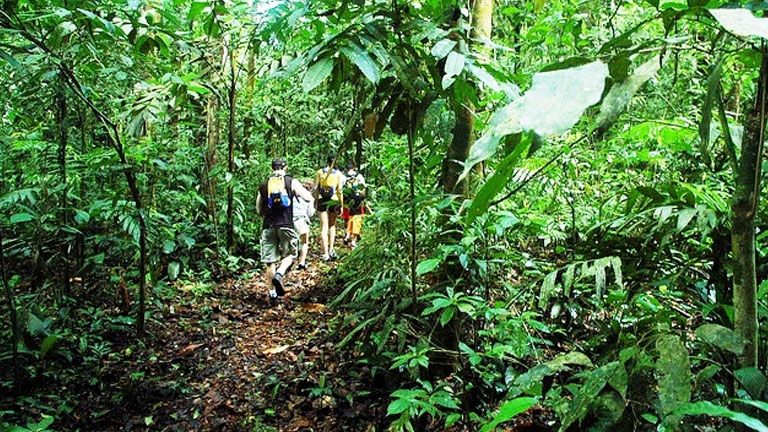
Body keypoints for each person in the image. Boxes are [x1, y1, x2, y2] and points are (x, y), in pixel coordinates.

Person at [256, 158, 314, 306]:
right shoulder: (291, 182)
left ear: (271, 169)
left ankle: (272, 293)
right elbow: (307, 197)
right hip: (286, 224)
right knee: (291, 254)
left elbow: (258, 210)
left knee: (270, 261)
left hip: (268, 226)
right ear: (285, 168)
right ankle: (280, 273)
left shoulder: (264, 185)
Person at [314, 153, 344, 261]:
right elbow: (339, 190)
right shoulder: (339, 174)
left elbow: (316, 188)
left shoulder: (320, 172)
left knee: (324, 226)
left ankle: (325, 253)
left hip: (322, 199)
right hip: (334, 200)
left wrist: (316, 200)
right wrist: (341, 204)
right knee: (332, 225)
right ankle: (331, 249)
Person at [292, 180, 315, 270]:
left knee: (293, 243)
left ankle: (291, 262)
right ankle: (302, 262)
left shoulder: (292, 197)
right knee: (304, 242)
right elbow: (310, 213)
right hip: (301, 222)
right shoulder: (308, 198)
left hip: (290, 222)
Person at [342, 163, 366, 246]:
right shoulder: (359, 176)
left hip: (348, 200)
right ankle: (354, 239)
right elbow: (363, 188)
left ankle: (348, 234)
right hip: (358, 200)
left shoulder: (343, 177)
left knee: (349, 217)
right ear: (354, 168)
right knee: (358, 218)